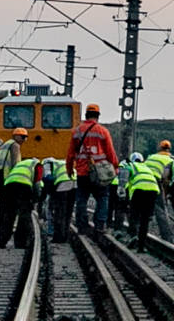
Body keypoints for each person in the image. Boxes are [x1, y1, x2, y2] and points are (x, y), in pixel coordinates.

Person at [67, 103, 117, 234]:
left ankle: (82, 226)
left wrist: (69, 169)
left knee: (82, 198)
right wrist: (115, 167)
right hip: (100, 173)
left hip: (82, 171)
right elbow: (111, 152)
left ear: (86, 115)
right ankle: (100, 224)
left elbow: (70, 153)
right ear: (98, 116)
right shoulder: (103, 131)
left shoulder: (77, 132)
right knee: (102, 197)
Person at [0, 151, 39, 248]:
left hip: (8, 186)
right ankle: (20, 243)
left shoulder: (21, 165)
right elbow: (37, 184)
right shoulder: (38, 165)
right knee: (24, 215)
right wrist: (36, 199)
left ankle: (2, 242)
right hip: (24, 187)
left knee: (9, 215)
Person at [125, 148, 165, 245]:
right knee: (145, 218)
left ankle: (133, 236)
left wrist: (124, 195)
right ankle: (141, 244)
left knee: (133, 215)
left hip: (138, 190)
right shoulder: (147, 168)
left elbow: (125, 181)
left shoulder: (130, 165)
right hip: (153, 191)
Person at [41, 152, 78, 241]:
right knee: (68, 213)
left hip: (63, 186)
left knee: (59, 212)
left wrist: (48, 194)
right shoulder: (61, 163)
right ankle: (65, 236)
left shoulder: (47, 164)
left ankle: (58, 237)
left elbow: (48, 178)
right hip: (75, 185)